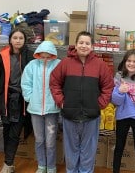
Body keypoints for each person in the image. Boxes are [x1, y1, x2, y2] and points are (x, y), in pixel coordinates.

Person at [49, 31, 113, 173]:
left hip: (92, 116)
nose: (84, 46)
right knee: (71, 149)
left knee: (88, 150)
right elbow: (54, 83)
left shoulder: (100, 65)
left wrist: (100, 104)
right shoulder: (65, 63)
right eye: (81, 43)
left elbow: (108, 86)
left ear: (92, 46)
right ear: (76, 45)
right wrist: (61, 102)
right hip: (69, 115)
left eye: (87, 43)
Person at [0, 28, 34, 173]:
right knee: (6, 131)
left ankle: (8, 164)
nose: (18, 40)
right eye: (15, 38)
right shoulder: (1, 58)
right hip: (5, 100)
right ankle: (8, 161)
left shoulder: (31, 58)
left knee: (15, 132)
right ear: (10, 40)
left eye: (21, 38)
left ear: (25, 40)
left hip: (21, 101)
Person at [21, 40, 61, 173]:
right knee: (39, 139)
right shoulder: (32, 65)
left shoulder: (59, 65)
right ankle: (41, 165)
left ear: (53, 55)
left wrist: (58, 100)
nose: (45, 59)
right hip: (35, 109)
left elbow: (63, 83)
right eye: (42, 56)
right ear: (38, 55)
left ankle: (51, 166)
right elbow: (26, 83)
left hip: (52, 109)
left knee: (50, 141)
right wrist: (30, 98)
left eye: (48, 56)